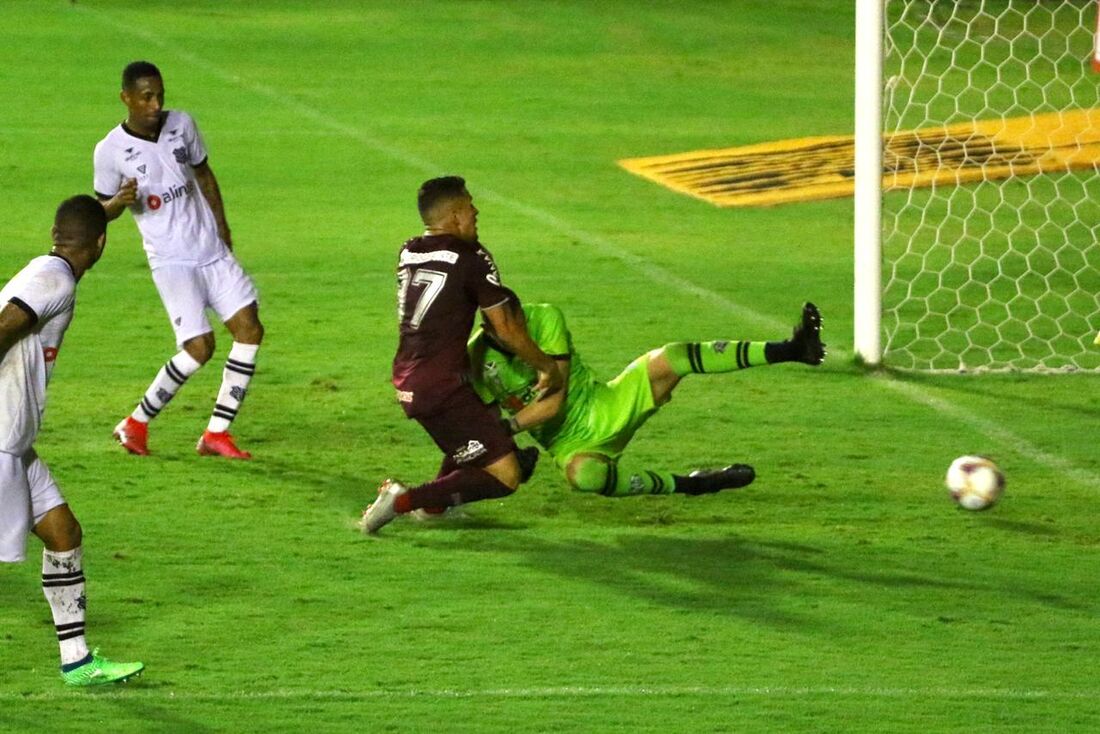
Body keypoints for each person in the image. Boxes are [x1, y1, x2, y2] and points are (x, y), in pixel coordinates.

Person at [358, 176, 564, 534]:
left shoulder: (409, 250)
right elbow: (506, 329)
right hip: (441, 386)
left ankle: (436, 507)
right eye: (470, 205)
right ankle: (404, 500)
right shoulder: (472, 257)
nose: (476, 211)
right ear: (455, 215)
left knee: (483, 413)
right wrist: (546, 366)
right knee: (506, 475)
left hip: (411, 376)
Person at [463, 300, 826, 498]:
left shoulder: (545, 318)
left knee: (675, 356)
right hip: (568, 444)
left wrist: (506, 430)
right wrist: (505, 450)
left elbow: (553, 402)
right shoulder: (476, 361)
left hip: (607, 402)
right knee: (585, 478)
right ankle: (694, 483)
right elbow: (484, 421)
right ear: (490, 332)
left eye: (518, 323)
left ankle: (792, 349)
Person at [0, 195, 144, 685]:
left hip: (15, 446)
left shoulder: (48, 269)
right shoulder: (53, 278)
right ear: (100, 244)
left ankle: (77, 661)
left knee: (64, 534)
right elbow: (6, 325)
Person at [94, 60, 263, 460]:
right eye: (146, 96)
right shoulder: (110, 151)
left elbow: (204, 174)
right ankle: (135, 422)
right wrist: (119, 200)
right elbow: (99, 208)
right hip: (172, 260)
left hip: (211, 249)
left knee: (250, 330)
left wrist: (223, 226)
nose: (155, 104)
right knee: (199, 347)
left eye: (159, 95)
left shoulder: (182, 124)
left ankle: (217, 433)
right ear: (126, 98)